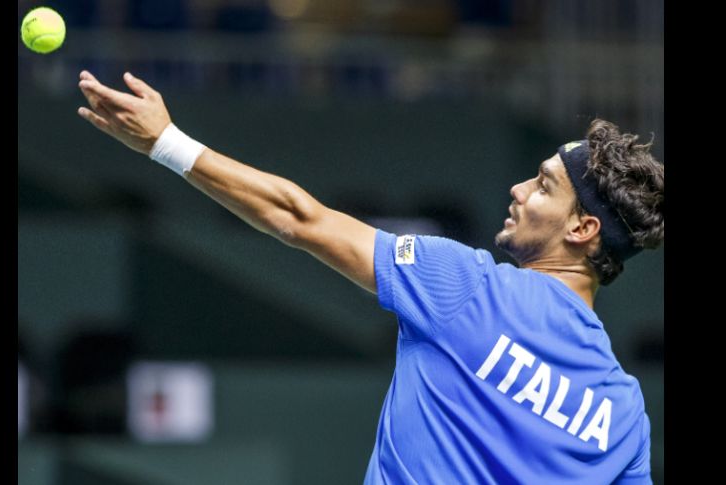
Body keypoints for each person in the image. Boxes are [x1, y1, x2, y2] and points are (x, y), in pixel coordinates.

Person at [77, 70, 663, 484]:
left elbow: (297, 218)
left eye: (542, 187)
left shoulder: (464, 286)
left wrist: (166, 144)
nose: (518, 191)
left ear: (583, 230)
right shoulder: (624, 413)